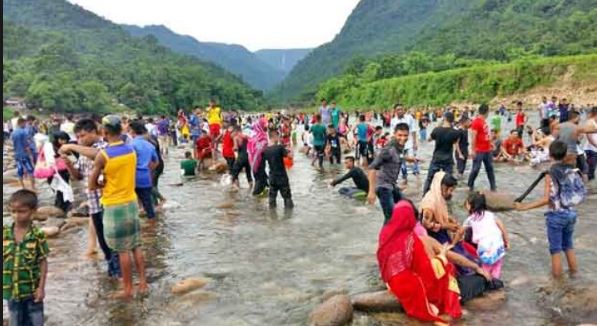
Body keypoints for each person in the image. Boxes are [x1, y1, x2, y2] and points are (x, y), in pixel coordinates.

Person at [378, 200, 493, 324]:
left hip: (394, 284)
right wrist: (443, 257)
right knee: (486, 281)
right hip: (429, 289)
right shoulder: (416, 242)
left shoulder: (385, 238)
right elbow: (432, 270)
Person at [90, 115, 148, 299]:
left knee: (122, 250)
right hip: (131, 201)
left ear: (104, 132)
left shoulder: (103, 155)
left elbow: (92, 184)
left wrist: (103, 183)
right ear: (120, 131)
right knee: (136, 246)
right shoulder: (131, 150)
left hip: (114, 206)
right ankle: (143, 283)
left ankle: (128, 288)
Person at [59, 119, 121, 277]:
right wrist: (69, 165)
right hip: (93, 203)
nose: (80, 139)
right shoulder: (83, 152)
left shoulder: (103, 146)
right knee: (103, 242)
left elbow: (100, 155)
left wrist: (72, 146)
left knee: (113, 241)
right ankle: (113, 271)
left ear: (95, 132)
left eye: (83, 136)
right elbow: (78, 176)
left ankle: (118, 274)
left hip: (107, 201)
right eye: (77, 137)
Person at [515, 141, 585, 277]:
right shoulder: (572, 170)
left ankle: (557, 283)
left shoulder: (550, 174)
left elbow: (546, 199)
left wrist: (524, 208)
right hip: (571, 213)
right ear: (564, 155)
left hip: (556, 216)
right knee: (568, 246)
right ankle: (575, 276)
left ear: (550, 155)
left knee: (555, 250)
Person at [4, 190, 49, 326]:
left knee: (36, 321)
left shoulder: (37, 235)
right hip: (11, 291)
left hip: (32, 291)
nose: (17, 216)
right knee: (15, 320)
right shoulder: (5, 233)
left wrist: (41, 288)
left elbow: (43, 261)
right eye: (13, 211)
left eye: (22, 211)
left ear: (33, 211)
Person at [367, 123, 417, 224]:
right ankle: (384, 239)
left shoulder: (399, 146)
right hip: (383, 187)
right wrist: (371, 192)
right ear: (394, 134)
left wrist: (409, 159)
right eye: (400, 135)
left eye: (405, 135)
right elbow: (372, 168)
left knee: (411, 209)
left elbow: (398, 156)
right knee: (391, 218)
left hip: (392, 185)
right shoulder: (388, 149)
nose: (403, 138)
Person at [463, 192, 509, 279]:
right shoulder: (490, 215)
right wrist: (506, 241)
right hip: (498, 246)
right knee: (497, 267)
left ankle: (487, 282)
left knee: (485, 271)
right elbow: (501, 226)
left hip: (486, 248)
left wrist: (453, 242)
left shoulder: (470, 219)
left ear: (470, 205)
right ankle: (496, 281)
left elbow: (461, 232)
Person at [423, 112, 460, 195]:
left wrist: (437, 126)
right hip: (448, 159)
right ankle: (446, 197)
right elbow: (455, 143)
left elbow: (428, 139)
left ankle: (425, 196)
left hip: (436, 158)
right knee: (448, 180)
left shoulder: (437, 130)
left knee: (429, 179)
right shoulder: (456, 133)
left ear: (444, 118)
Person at [129, 121, 159, 223]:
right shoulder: (150, 145)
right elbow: (156, 162)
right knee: (148, 205)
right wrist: (148, 169)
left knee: (133, 204)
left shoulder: (131, 145)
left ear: (132, 132)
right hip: (145, 177)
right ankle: (153, 229)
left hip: (132, 178)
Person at [468, 104, 497, 191]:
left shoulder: (484, 122)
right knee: (476, 169)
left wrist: (491, 143)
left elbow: (485, 135)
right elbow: (473, 137)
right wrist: (473, 150)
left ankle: (493, 187)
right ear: (486, 112)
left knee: (490, 168)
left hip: (487, 149)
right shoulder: (476, 122)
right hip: (479, 150)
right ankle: (470, 185)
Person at [262, 130, 294, 209]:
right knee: (287, 198)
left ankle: (272, 216)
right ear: (274, 137)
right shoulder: (280, 148)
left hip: (272, 177)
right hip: (282, 177)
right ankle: (288, 217)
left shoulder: (266, 150)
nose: (279, 138)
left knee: (272, 198)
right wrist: (291, 148)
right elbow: (290, 156)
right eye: (278, 136)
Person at [391, 104, 420, 182]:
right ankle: (405, 177)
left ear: (404, 110)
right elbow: (392, 134)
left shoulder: (409, 118)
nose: (400, 111)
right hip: (399, 144)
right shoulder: (393, 120)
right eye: (398, 109)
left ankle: (417, 177)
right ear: (395, 111)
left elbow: (413, 130)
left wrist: (415, 143)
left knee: (413, 159)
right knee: (401, 160)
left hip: (409, 142)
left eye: (401, 109)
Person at [11, 118, 36, 190]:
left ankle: (22, 187)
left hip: (17, 154)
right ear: (21, 123)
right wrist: (30, 154)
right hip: (24, 154)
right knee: (30, 170)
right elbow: (26, 145)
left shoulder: (13, 132)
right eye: (25, 123)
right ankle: (33, 187)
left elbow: (13, 144)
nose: (25, 125)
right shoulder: (24, 132)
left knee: (20, 170)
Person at [248, 117, 269, 196]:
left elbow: (250, 150)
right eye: (264, 125)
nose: (265, 127)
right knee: (259, 180)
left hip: (253, 163)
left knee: (261, 178)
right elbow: (263, 150)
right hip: (259, 162)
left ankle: (260, 199)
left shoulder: (253, 136)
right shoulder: (262, 137)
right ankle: (255, 198)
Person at [231, 125, 253, 190]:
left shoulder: (236, 137)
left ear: (236, 131)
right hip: (248, 158)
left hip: (241, 158)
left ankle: (236, 188)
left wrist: (233, 148)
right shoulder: (246, 137)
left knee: (234, 173)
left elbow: (236, 148)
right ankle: (251, 188)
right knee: (248, 174)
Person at [584, 107, 597, 180]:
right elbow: (589, 138)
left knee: (592, 170)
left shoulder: (595, 122)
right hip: (591, 150)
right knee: (590, 171)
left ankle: (591, 189)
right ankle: (589, 190)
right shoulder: (590, 122)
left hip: (594, 149)